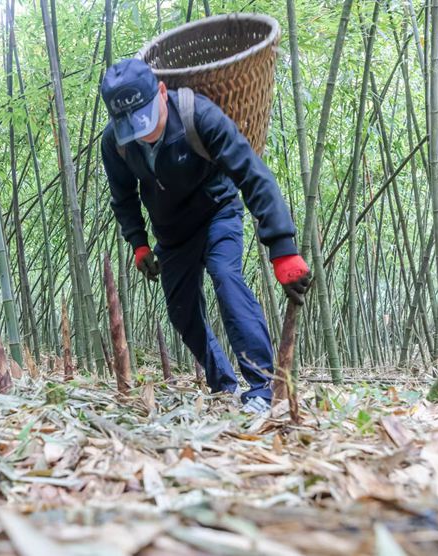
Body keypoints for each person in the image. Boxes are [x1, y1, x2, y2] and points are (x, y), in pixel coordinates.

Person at [100, 58, 311, 414]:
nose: (143, 132)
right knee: (181, 312)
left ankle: (261, 385)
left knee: (226, 277)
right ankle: (222, 384)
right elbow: (122, 196)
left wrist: (282, 247)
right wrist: (138, 243)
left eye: (147, 120)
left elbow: (252, 173)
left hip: (218, 212)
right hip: (172, 233)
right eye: (131, 126)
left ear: (162, 93)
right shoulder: (116, 144)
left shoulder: (199, 116)